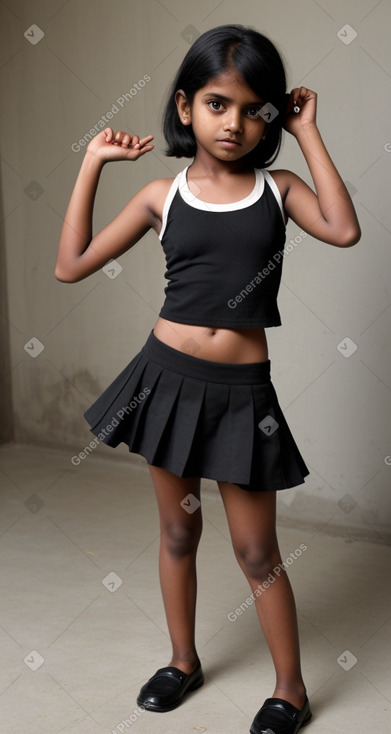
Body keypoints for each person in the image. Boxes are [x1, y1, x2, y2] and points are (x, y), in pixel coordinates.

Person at [55, 24, 360, 734]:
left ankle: (289, 689)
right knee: (177, 535)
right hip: (165, 380)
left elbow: (343, 229)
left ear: (270, 118)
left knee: (256, 550)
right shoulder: (162, 195)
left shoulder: (277, 189)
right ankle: (181, 660)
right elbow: (71, 265)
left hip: (240, 394)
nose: (233, 123)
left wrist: (308, 131)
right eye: (217, 104)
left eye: (254, 109)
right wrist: (92, 163)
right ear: (186, 107)